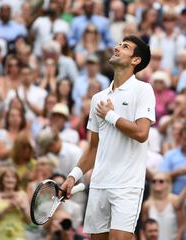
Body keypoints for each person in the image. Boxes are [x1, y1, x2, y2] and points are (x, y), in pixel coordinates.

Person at [61, 35, 155, 240]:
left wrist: (111, 116)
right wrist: (72, 177)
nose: (116, 48)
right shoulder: (98, 98)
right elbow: (93, 147)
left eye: (125, 47)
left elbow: (141, 133)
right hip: (99, 184)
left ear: (135, 60)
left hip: (127, 186)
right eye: (119, 44)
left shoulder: (144, 90)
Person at [0, 166, 30, 240]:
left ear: (17, 180)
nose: (10, 180)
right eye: (7, 177)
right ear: (2, 180)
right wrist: (6, 209)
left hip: (18, 236)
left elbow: (28, 221)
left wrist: (22, 208)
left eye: (13, 177)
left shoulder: (23, 195)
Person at [142, 172, 185, 240]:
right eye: (154, 181)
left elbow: (181, 226)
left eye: (161, 181)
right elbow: (143, 228)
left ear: (168, 183)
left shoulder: (175, 201)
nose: (157, 183)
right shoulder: (147, 205)